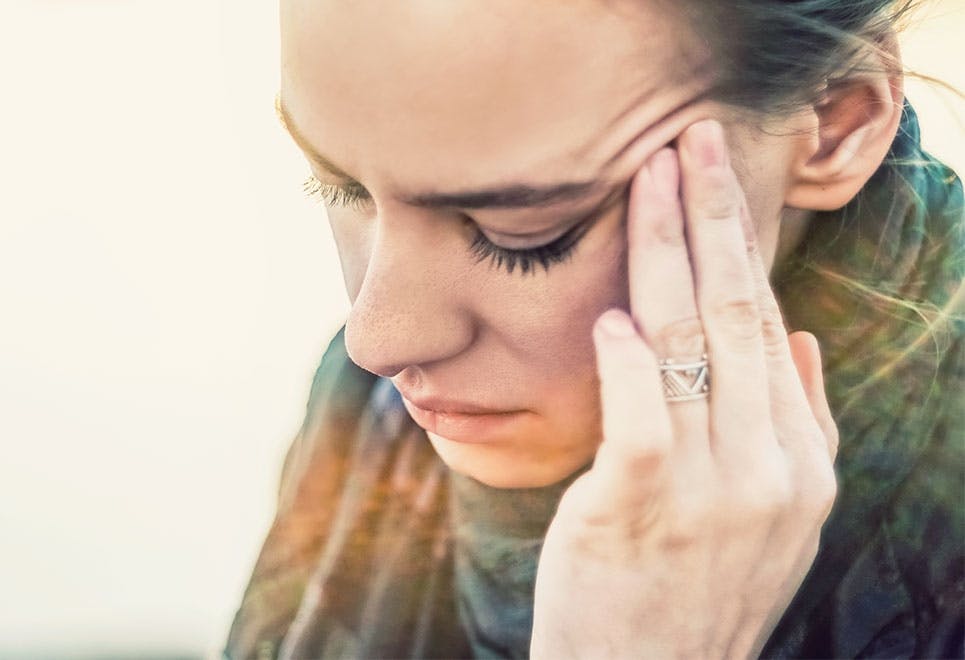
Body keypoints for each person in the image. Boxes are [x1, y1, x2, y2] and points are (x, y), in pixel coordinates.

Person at [224, 0, 963, 657]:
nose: (375, 343)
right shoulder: (371, 419)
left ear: (836, 124)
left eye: (523, 230)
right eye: (339, 185)